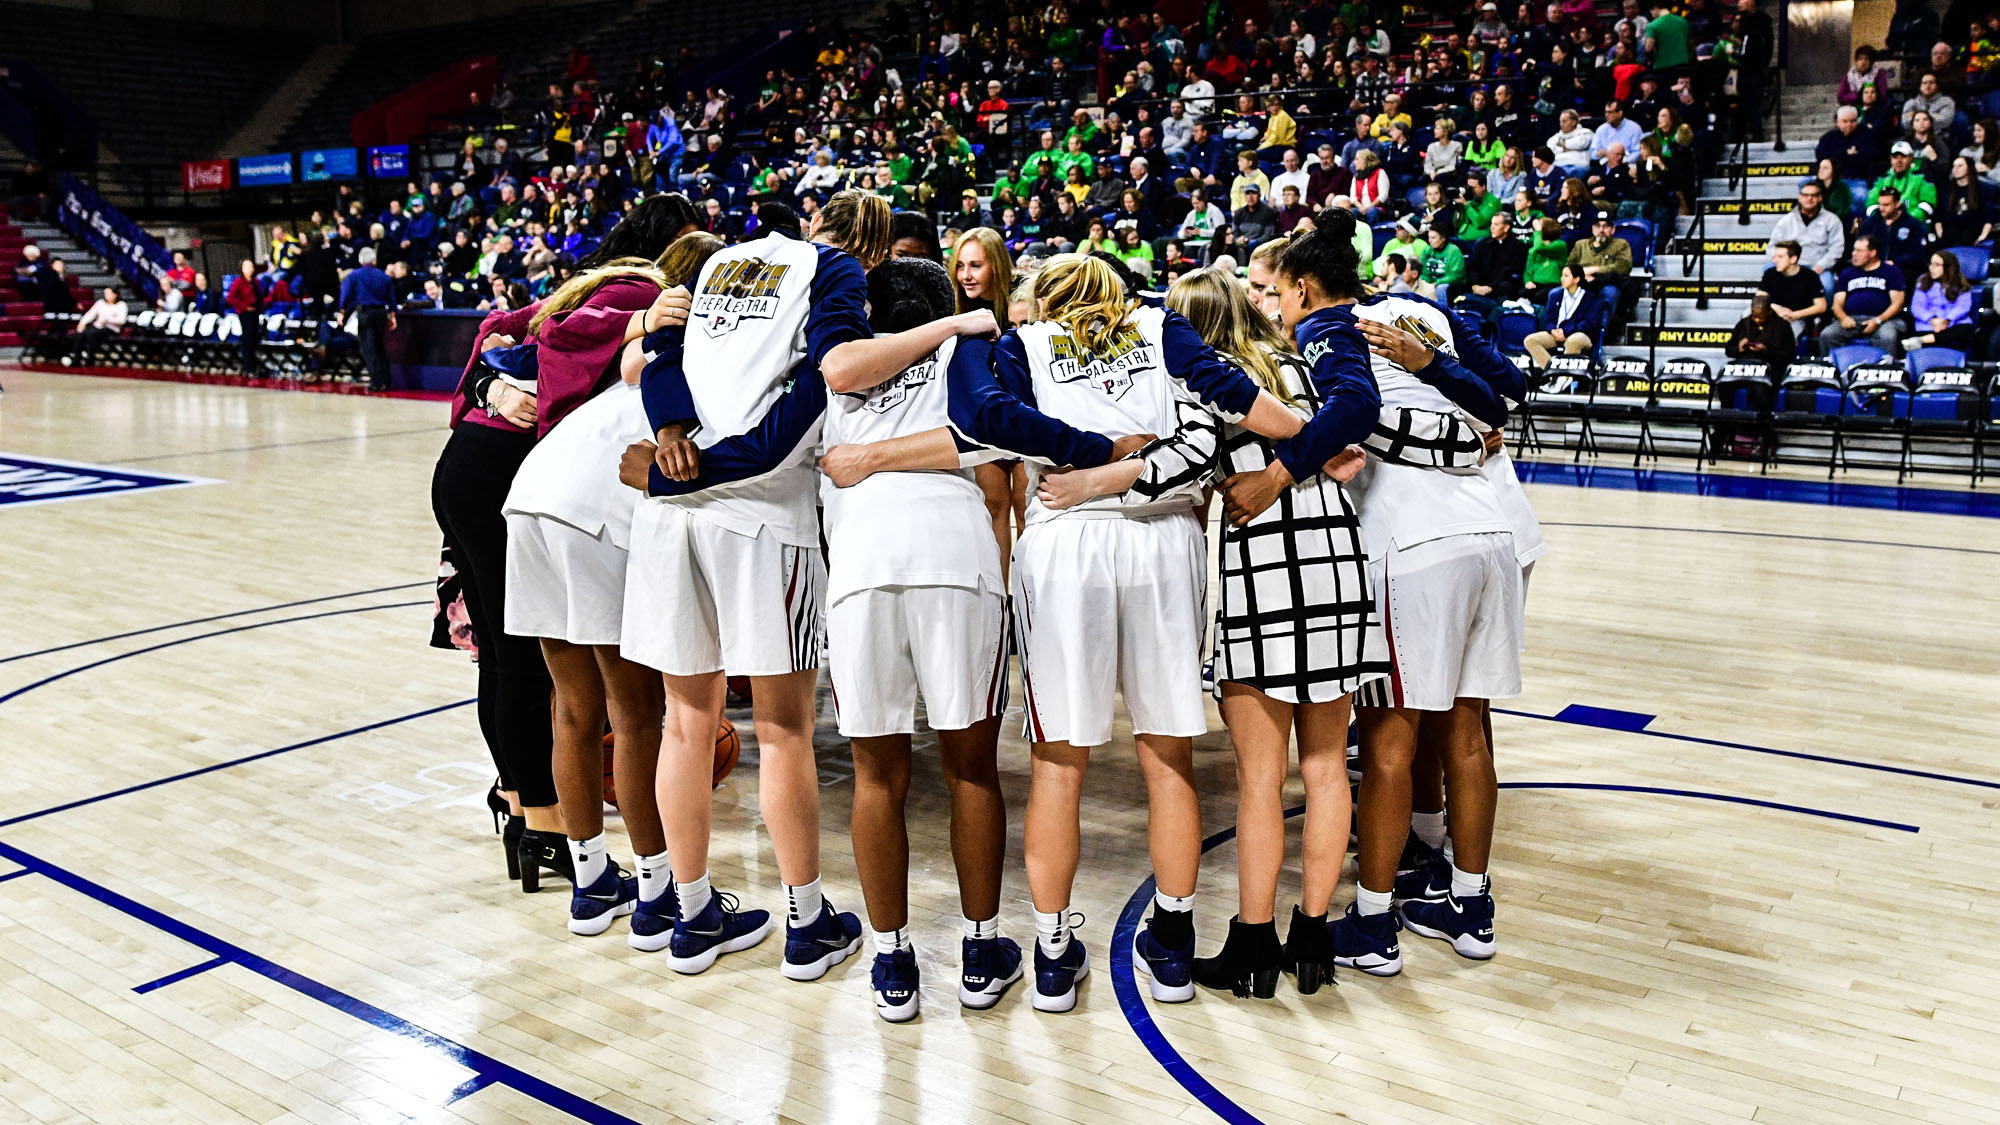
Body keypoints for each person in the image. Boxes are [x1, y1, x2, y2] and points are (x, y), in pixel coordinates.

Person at [621, 191, 995, 981]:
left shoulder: (720, 262)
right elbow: (820, 386)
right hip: (759, 518)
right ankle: (804, 917)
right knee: (785, 730)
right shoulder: (831, 273)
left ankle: (688, 913)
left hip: (672, 520)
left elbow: (652, 358)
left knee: (685, 722)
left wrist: (667, 444)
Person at [945, 254, 1306, 1014]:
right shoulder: (1160, 326)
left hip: (1065, 534)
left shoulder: (1025, 345)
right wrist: (1310, 437)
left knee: (1058, 760)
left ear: (1049, 298)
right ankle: (1171, 941)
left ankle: (1050, 953)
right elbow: (1239, 399)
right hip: (1161, 540)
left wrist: (1080, 448)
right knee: (1166, 750)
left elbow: (983, 419)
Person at [700, 257, 1024, 1022]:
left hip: (860, 572)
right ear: (944, 304)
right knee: (972, 769)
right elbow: (992, 435)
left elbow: (764, 447)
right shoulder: (970, 350)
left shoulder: (830, 373)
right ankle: (980, 951)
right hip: (955, 558)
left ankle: (891, 960)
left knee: (878, 778)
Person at [502, 232, 721, 942]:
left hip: (530, 494)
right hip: (592, 511)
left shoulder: (642, 346)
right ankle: (659, 890)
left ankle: (592, 881)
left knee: (571, 706)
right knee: (634, 714)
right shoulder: (702, 354)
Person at [952, 227, 1028, 584]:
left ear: (996, 266)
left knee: (1028, 507)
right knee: (994, 505)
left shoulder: (1023, 303)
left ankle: (1032, 602)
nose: (966, 275)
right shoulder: (953, 312)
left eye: (976, 265)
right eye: (961, 265)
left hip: (1028, 415)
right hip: (984, 422)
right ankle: (1001, 601)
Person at [1821, 234, 1908, 354]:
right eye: (1854, 250)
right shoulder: (1847, 273)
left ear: (1872, 253)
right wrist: (1844, 318)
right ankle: (1832, 368)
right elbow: (1837, 303)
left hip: (1884, 320)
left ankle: (1884, 370)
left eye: (1859, 251)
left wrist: (1878, 320)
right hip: (1852, 319)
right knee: (1828, 334)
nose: (1854, 254)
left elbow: (1897, 303)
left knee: (1887, 336)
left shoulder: (1891, 271)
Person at [1767, 182, 1846, 295]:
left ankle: (1822, 312)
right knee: (1768, 270)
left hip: (1817, 267)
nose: (1809, 199)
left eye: (1814, 195)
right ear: (1800, 198)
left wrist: (1821, 266)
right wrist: (1782, 263)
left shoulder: (1832, 220)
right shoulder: (1786, 220)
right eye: (1805, 195)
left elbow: (1837, 248)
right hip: (1789, 265)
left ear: (1820, 198)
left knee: (1827, 286)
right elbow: (1772, 247)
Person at [1523, 263, 1608, 366]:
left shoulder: (1589, 298)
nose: (1562, 279)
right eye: (1562, 275)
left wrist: (1566, 330)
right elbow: (1549, 318)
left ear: (1576, 279)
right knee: (1530, 340)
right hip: (1556, 334)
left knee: (1574, 341)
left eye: (1566, 276)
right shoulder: (1555, 295)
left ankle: (1566, 377)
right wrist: (1553, 330)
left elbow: (1588, 323)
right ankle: (1553, 371)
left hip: (1579, 333)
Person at [338, 247, 396, 392]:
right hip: (381, 313)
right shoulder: (384, 276)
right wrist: (392, 316)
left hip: (365, 314)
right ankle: (385, 380)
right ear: (374, 260)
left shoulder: (354, 276)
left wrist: (342, 311)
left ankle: (375, 382)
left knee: (369, 348)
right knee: (380, 346)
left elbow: (346, 295)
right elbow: (392, 298)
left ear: (360, 260)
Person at [1903, 250, 1978, 353]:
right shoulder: (1923, 282)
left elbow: (1963, 306)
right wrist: (1932, 319)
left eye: (1937, 265)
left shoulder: (1961, 284)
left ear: (1948, 267)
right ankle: (1929, 339)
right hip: (1929, 324)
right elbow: (1917, 306)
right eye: (1931, 264)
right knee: (1945, 337)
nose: (1931, 268)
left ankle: (1924, 340)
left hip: (1953, 324)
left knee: (1966, 329)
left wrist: (1947, 320)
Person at [1856, 185, 1931, 279]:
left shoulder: (1913, 225)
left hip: (1902, 269)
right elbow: (1858, 245)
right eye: (1880, 204)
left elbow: (1917, 253)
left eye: (1886, 205)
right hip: (1871, 268)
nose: (1882, 208)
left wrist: (1895, 262)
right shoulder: (1870, 224)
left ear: (1897, 204)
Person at [1757, 240, 1829, 336]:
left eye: (1780, 257)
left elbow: (1821, 306)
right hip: (1772, 313)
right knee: (1749, 314)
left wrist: (1795, 315)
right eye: (1775, 256)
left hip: (1797, 319)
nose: (1775, 260)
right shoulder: (1770, 273)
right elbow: (1760, 297)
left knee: (1786, 337)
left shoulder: (1810, 276)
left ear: (1793, 259)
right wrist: (1776, 308)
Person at [1727, 293, 1797, 377]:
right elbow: (1728, 350)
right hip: (1745, 366)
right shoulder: (1744, 323)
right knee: (1725, 384)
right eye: (1754, 316)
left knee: (1759, 387)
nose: (1757, 320)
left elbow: (1790, 355)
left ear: (1769, 312)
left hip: (1770, 367)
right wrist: (1739, 349)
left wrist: (1766, 350)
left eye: (1761, 317)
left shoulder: (1782, 326)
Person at [1567, 211, 1633, 284]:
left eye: (1606, 226)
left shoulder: (1621, 244)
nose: (1601, 230)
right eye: (1597, 226)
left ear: (1613, 229)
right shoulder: (1581, 245)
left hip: (1608, 283)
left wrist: (1595, 269)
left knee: (1610, 292)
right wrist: (1582, 275)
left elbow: (1623, 267)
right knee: (1556, 293)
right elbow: (1569, 267)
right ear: (1592, 228)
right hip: (1583, 282)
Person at [1817, 106, 1879, 181]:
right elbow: (1821, 156)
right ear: (1837, 122)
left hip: (1858, 180)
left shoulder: (1866, 135)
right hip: (1833, 180)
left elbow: (1869, 156)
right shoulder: (1828, 138)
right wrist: (1846, 153)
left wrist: (1838, 157)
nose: (1849, 125)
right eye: (1845, 121)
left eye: (1853, 121)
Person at [225, 259, 263, 376]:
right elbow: (230, 298)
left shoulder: (255, 281)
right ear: (242, 269)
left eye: (251, 266)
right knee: (247, 340)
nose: (250, 269)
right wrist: (244, 306)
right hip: (245, 314)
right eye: (247, 267)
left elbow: (260, 295)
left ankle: (255, 366)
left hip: (255, 312)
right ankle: (249, 368)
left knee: (254, 339)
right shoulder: (239, 282)